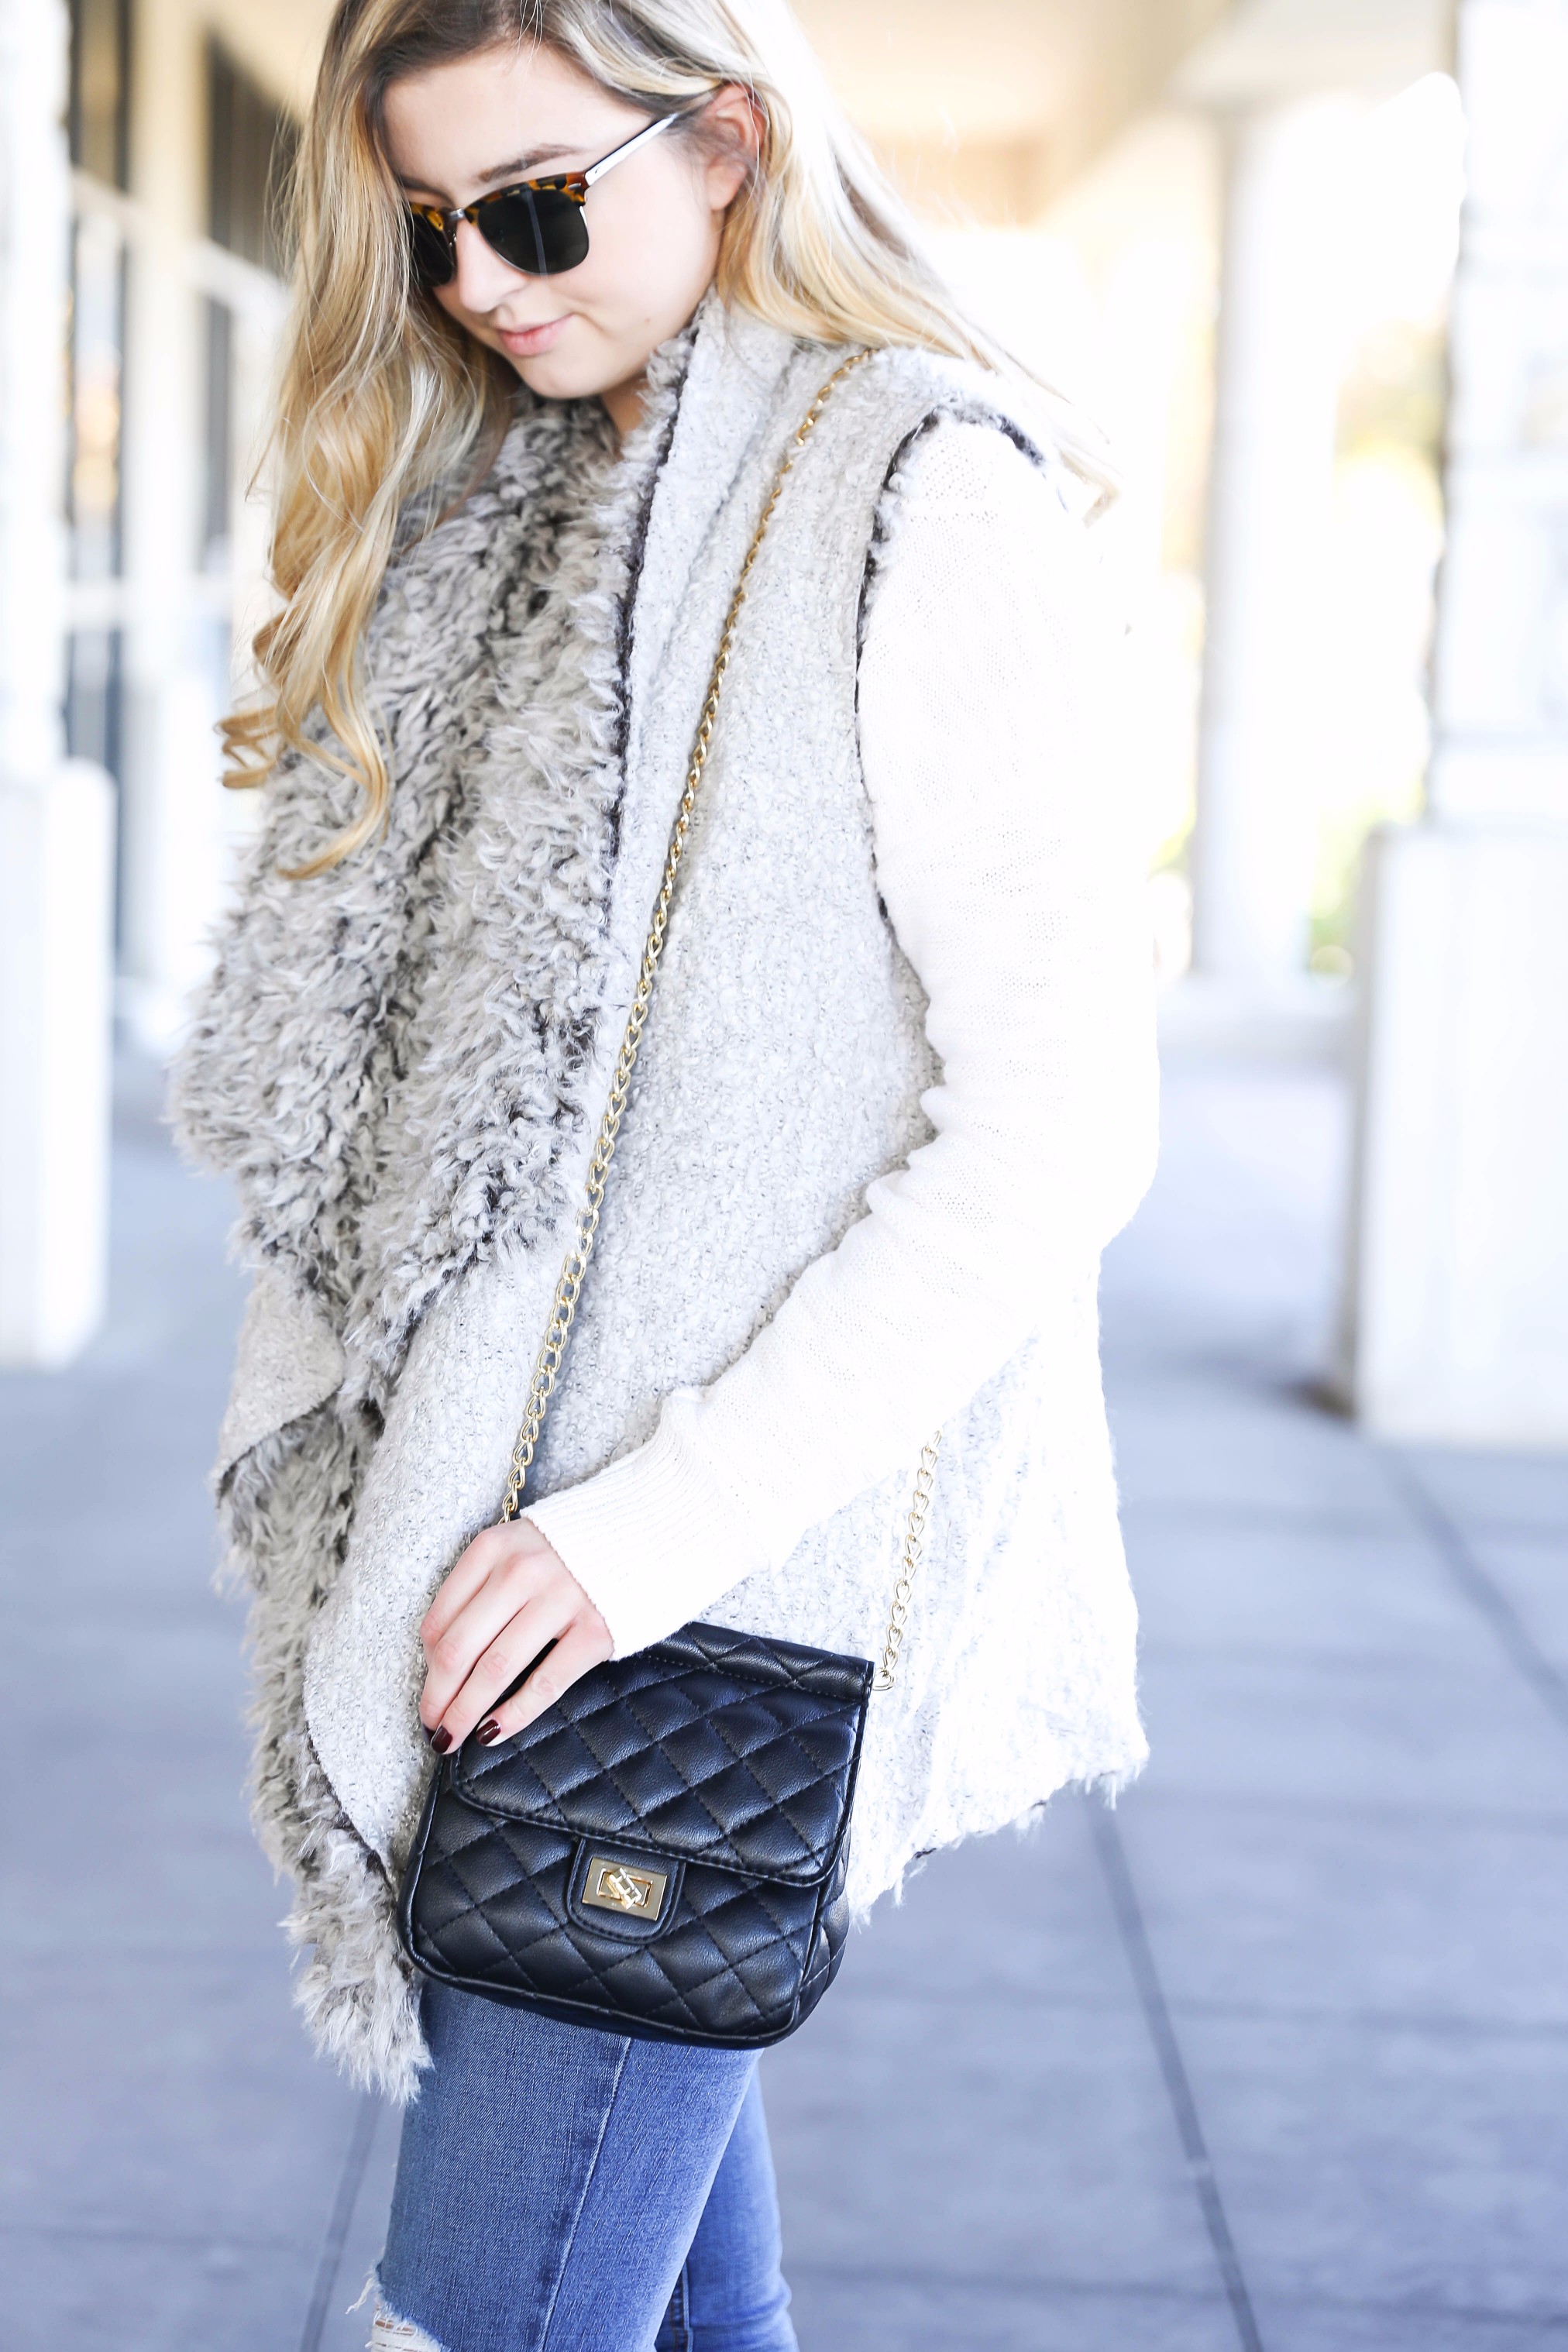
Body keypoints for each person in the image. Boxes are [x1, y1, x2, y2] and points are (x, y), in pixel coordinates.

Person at [171, 1, 1159, 2344]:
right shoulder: (530, 503)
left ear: (725, 140)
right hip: (532, 1564)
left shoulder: (923, 495)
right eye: (427, 230)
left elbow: (1058, 1126)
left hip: (698, 1587)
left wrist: (644, 1533)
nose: (482, 284)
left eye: (532, 206)